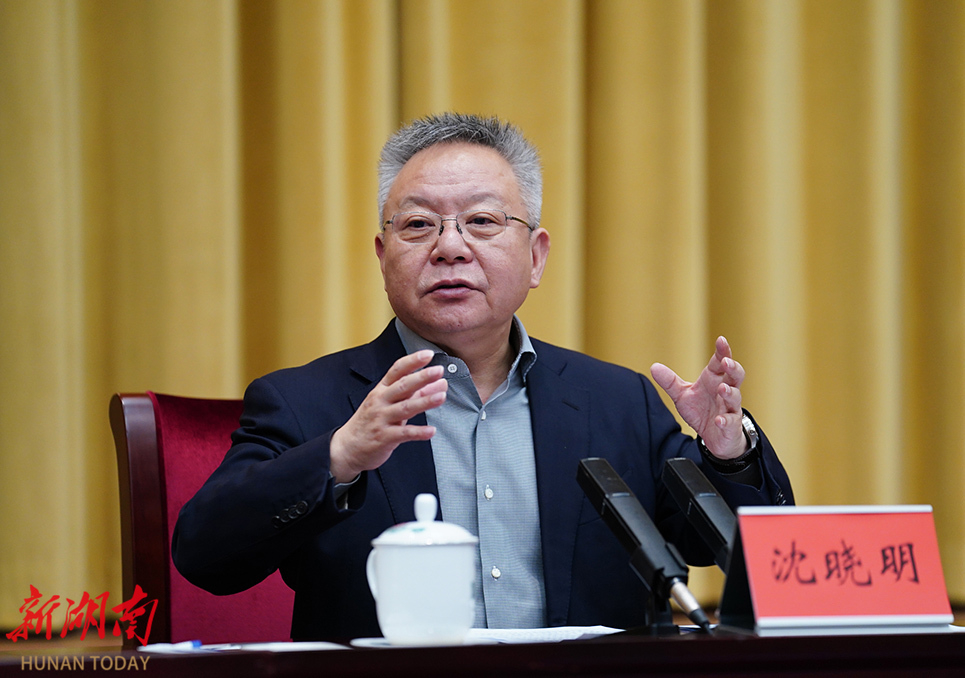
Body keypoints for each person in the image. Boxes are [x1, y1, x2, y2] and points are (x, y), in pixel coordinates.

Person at [172, 112, 793, 641]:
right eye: (418, 225)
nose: (450, 247)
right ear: (383, 257)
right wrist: (339, 456)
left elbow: (738, 556)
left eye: (483, 222)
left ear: (536, 257)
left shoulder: (616, 401)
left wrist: (729, 453)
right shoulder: (307, 403)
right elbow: (207, 557)